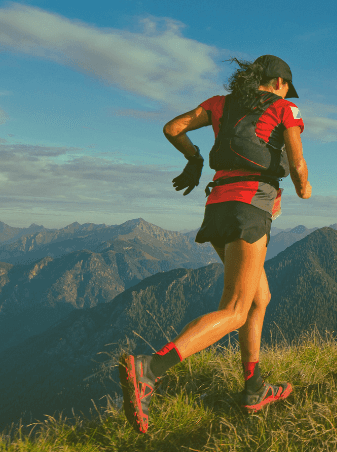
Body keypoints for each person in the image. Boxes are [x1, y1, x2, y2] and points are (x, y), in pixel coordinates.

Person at [118, 55, 312, 434]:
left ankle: (254, 387)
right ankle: (149, 370)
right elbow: (298, 163)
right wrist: (302, 189)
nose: (287, 92)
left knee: (259, 298)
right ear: (278, 82)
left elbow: (172, 127)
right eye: (287, 86)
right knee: (237, 309)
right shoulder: (285, 108)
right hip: (249, 208)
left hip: (216, 207)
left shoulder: (219, 103)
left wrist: (194, 158)